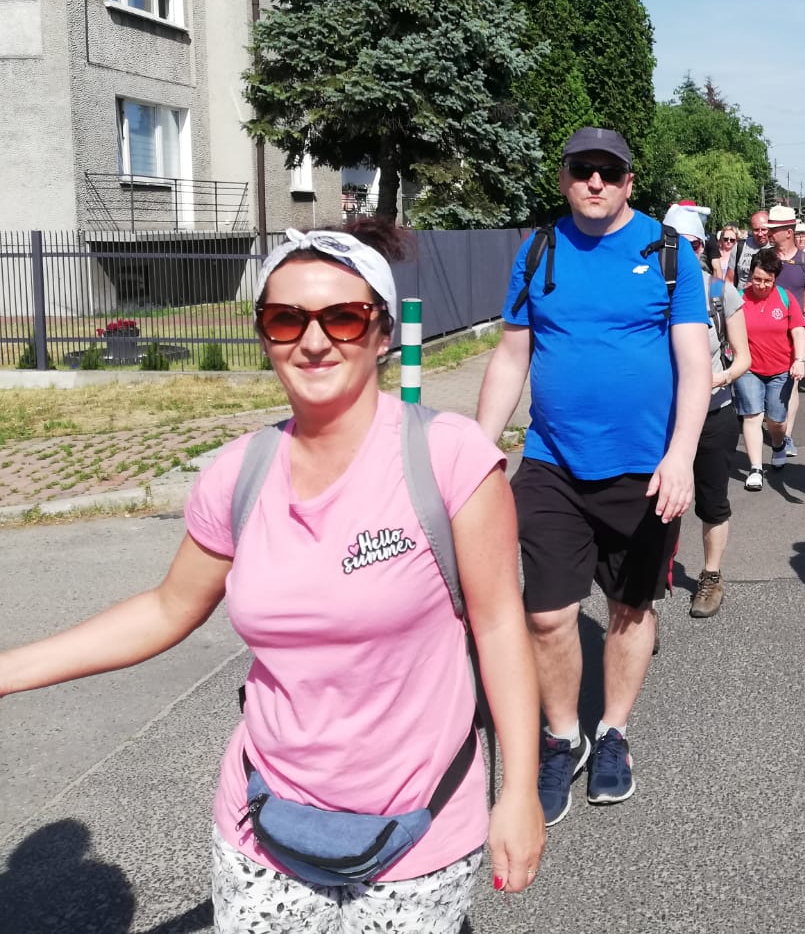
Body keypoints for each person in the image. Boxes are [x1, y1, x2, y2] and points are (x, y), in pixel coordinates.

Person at [0, 220, 544, 930]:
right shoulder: (238, 473)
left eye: (343, 318)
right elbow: (167, 609)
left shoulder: (448, 458)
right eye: (286, 319)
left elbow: (500, 626)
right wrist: (8, 670)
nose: (313, 340)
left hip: (422, 824)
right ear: (264, 336)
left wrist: (519, 792)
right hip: (265, 823)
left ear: (382, 334)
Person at [475, 127, 710, 825]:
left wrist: (681, 454)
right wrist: (477, 451)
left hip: (645, 470)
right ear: (564, 178)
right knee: (547, 614)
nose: (596, 182)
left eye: (609, 171)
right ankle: (562, 737)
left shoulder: (669, 253)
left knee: (630, 608)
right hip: (552, 463)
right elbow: (511, 356)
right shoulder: (539, 249)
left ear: (629, 181)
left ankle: (612, 732)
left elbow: (694, 363)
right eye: (583, 169)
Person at [663, 204, 751, 619]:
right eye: (670, 243)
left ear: (701, 248)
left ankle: (711, 576)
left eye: (689, 245)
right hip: (660, 416)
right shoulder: (645, 287)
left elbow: (743, 358)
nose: (679, 252)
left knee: (712, 501)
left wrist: (719, 378)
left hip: (714, 413)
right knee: (656, 502)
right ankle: (651, 584)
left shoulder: (718, 291)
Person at [734, 247, 805, 490]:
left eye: (767, 280)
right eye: (757, 279)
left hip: (780, 370)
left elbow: (798, 332)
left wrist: (800, 360)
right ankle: (755, 468)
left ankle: (778, 444)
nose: (762, 285)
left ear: (775, 278)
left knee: (776, 421)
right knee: (752, 415)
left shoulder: (786, 298)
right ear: (750, 275)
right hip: (748, 368)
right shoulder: (739, 299)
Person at [767, 205, 805, 459]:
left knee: (791, 385)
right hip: (765, 332)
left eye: (774, 229)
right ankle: (775, 425)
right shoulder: (765, 258)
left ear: (788, 232)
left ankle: (786, 435)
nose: (769, 233)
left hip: (793, 332)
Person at [725, 209, 770, 289]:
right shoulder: (739, 247)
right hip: (740, 295)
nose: (760, 234)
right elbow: (729, 279)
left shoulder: (775, 249)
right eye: (756, 230)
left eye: (764, 229)